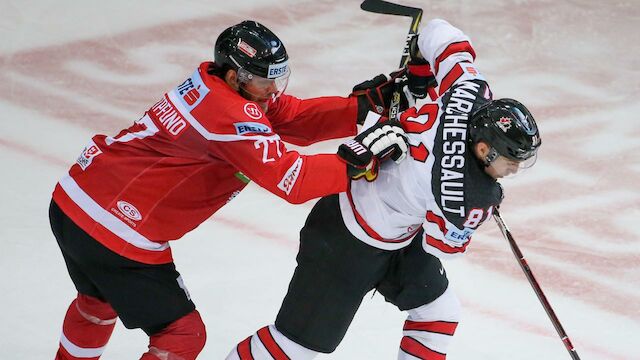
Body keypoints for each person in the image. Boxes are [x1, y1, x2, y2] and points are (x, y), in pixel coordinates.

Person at [49, 20, 412, 360]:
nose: (273, 90)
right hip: (115, 230)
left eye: (277, 78)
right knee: (181, 334)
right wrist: (361, 161)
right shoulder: (228, 113)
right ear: (235, 76)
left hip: (73, 202)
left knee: (95, 303)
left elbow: (292, 117)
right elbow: (294, 179)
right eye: (264, 81)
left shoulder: (218, 86)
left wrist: (365, 105)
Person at [227, 18, 542, 360]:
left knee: (438, 314)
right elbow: (442, 245)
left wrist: (420, 63)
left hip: (394, 235)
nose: (514, 170)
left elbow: (438, 31)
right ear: (484, 149)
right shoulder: (465, 197)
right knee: (294, 347)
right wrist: (481, 193)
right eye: (512, 161)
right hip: (345, 242)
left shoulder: (469, 91)